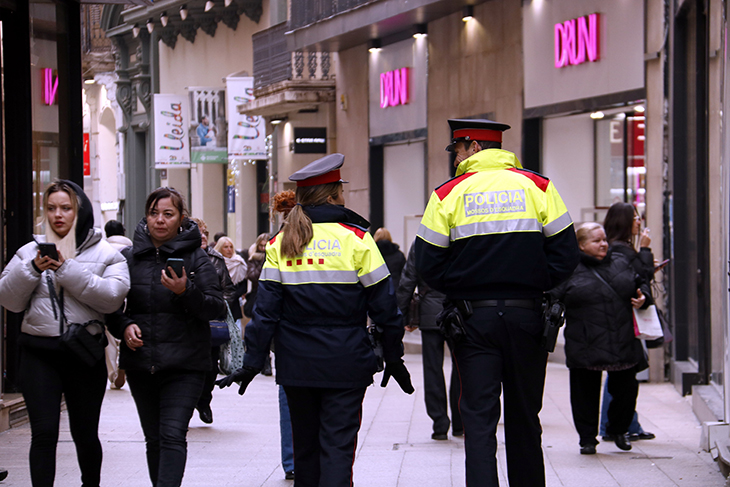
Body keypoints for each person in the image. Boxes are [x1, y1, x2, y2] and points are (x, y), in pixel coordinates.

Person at [217, 153, 414, 486]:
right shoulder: (357, 239)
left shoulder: (281, 243)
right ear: (334, 194)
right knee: (337, 451)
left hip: (297, 366)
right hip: (347, 363)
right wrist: (393, 355)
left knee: (305, 453)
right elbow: (385, 307)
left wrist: (252, 362)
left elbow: (265, 312)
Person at [414, 119, 579, 486]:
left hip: (473, 322)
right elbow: (566, 255)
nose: (455, 157)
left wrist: (460, 288)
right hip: (527, 317)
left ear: (473, 147)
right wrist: (535, 283)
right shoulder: (539, 187)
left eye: (457, 149)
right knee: (524, 417)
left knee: (478, 421)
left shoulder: (447, 195)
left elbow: (427, 264)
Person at [0, 180, 130, 487]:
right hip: (38, 353)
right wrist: (32, 269)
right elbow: (9, 300)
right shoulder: (27, 252)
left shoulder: (107, 253)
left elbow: (112, 297)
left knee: (84, 433)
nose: (58, 215)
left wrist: (64, 269)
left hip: (83, 354)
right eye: (51, 208)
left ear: (79, 210)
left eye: (66, 208)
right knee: (43, 433)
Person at [106, 187, 224, 487]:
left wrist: (186, 292)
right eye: (154, 213)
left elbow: (216, 307)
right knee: (154, 438)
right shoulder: (128, 258)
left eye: (168, 214)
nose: (160, 220)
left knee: (172, 434)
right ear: (146, 217)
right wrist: (124, 325)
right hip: (142, 364)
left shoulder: (197, 258)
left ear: (180, 219)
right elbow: (110, 306)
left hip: (185, 365)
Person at [549, 222, 651, 454]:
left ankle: (618, 429)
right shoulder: (567, 270)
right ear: (582, 245)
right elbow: (552, 300)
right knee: (584, 393)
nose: (604, 244)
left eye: (604, 239)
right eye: (597, 241)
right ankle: (587, 439)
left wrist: (643, 295)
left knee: (626, 390)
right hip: (585, 343)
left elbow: (640, 282)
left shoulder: (621, 262)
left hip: (622, 339)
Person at [599, 202, 657, 442]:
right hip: (620, 322)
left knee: (623, 375)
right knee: (621, 374)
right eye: (634, 218)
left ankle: (625, 424)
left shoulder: (620, 249)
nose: (639, 222)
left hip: (624, 320)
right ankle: (613, 426)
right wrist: (644, 250)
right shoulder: (618, 250)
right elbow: (640, 277)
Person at [397, 239, 462, 441]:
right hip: (458, 312)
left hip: (429, 313)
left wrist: (400, 315)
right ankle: (460, 422)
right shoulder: (460, 237)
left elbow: (408, 280)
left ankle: (439, 424)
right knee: (461, 368)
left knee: (432, 369)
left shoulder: (421, 243)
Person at [190, 218, 237, 425]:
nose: (202, 237)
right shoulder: (180, 256)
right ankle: (186, 404)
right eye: (198, 232)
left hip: (210, 321)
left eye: (205, 233)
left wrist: (216, 305)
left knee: (210, 366)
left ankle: (204, 401)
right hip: (185, 322)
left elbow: (228, 289)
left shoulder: (215, 258)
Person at [104, 219, 133, 389]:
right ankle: (124, 362)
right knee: (126, 328)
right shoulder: (131, 249)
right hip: (127, 294)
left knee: (109, 334)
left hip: (109, 294)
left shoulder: (102, 249)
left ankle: (114, 373)